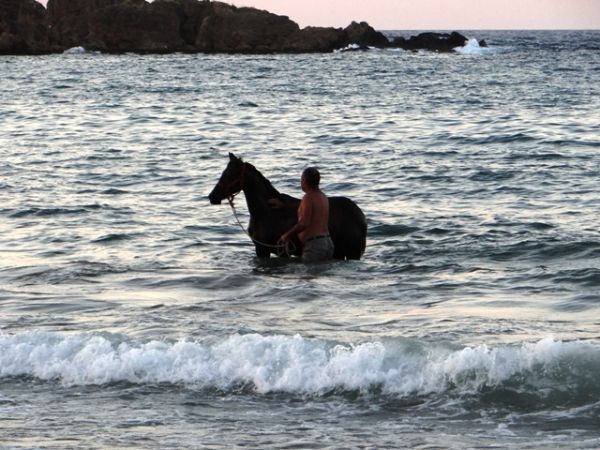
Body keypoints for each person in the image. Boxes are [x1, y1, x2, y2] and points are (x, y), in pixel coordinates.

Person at [279, 167, 334, 263]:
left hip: (314, 246)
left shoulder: (308, 197)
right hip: (328, 243)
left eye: (301, 180)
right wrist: (284, 205)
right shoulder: (322, 196)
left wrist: (286, 235)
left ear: (304, 181)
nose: (301, 182)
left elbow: (304, 223)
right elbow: (308, 208)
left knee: (305, 276)